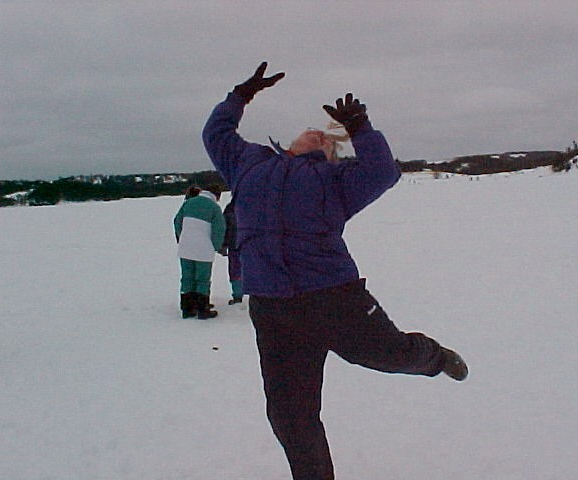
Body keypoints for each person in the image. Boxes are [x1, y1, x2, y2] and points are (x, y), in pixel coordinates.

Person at [202, 62, 468, 480]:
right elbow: (215, 134)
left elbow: (382, 171)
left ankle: (434, 357)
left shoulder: (336, 180)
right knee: (290, 416)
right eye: (314, 131)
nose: (320, 136)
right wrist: (240, 95)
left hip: (334, 299)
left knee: (391, 354)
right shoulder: (249, 164)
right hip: (273, 311)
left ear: (332, 156)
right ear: (290, 141)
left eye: (328, 140)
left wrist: (360, 128)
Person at [173, 184, 225, 319]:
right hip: (204, 250)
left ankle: (187, 308)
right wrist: (216, 246)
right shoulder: (215, 208)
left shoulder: (188, 203)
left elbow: (177, 222)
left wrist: (182, 238)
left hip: (185, 247)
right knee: (202, 279)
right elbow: (219, 230)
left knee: (187, 277)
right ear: (216, 196)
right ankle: (203, 309)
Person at [221, 199, 244, 304]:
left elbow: (224, 227)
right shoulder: (254, 204)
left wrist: (223, 244)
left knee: (235, 270)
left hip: (233, 244)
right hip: (249, 243)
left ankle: (238, 295)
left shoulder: (229, 208)